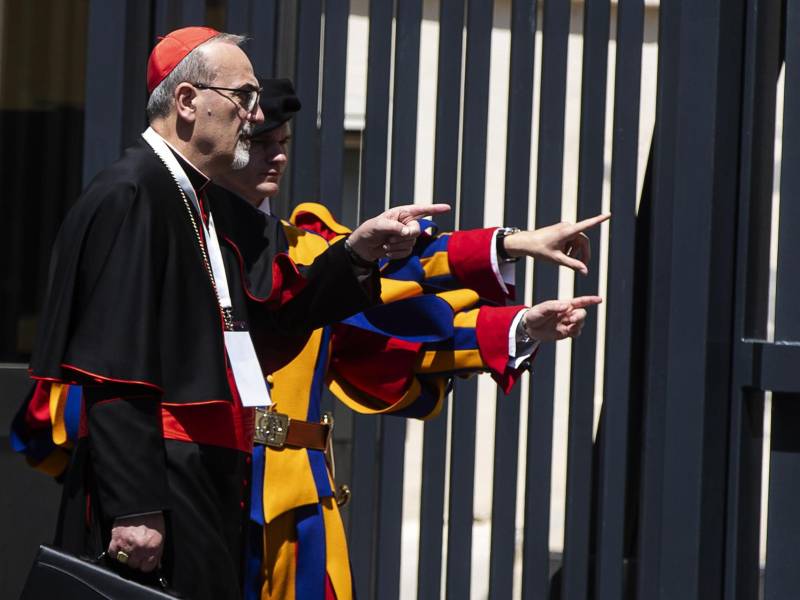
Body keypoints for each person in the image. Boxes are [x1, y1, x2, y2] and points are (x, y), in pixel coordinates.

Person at [22, 28, 447, 600]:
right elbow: (115, 366)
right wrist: (135, 508)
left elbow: (270, 323)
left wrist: (357, 252)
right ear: (187, 101)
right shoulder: (132, 192)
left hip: (205, 470)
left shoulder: (197, 198)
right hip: (161, 478)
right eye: (243, 97)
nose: (255, 115)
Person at [208, 79, 605, 600]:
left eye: (282, 142)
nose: (277, 156)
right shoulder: (181, 241)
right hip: (206, 487)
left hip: (298, 501)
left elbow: (397, 325)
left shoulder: (309, 251)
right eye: (261, 143)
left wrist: (523, 310)